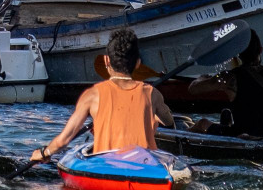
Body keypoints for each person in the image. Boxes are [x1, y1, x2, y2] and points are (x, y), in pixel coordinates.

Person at [29, 28, 173, 162]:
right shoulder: (152, 93)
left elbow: (63, 141)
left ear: (106, 61)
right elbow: (168, 122)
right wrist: (150, 114)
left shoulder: (92, 95)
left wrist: (43, 153)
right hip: (146, 167)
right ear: (138, 64)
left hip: (107, 166)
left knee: (43, 189)